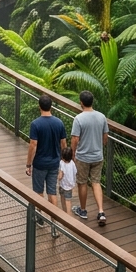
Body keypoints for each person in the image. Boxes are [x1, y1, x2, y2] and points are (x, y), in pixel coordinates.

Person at [25, 95, 67, 236]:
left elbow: (33, 145)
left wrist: (28, 164)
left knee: (38, 192)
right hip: (54, 163)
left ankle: (40, 218)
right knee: (52, 193)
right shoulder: (59, 123)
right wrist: (62, 161)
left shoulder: (36, 124)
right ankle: (54, 225)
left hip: (40, 163)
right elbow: (63, 144)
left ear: (39, 107)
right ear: (51, 106)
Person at [71, 91, 108, 226]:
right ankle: (101, 211)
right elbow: (105, 137)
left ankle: (83, 210)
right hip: (98, 155)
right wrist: (100, 145)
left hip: (83, 156)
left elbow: (75, 138)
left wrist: (73, 153)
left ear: (81, 102)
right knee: (96, 182)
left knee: (82, 183)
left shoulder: (79, 119)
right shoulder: (102, 117)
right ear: (92, 102)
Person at [57, 146, 76, 214]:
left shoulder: (61, 163)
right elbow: (75, 172)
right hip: (70, 186)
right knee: (68, 200)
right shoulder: (72, 163)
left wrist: (57, 177)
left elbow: (60, 176)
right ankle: (68, 214)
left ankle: (65, 212)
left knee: (62, 198)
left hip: (63, 185)